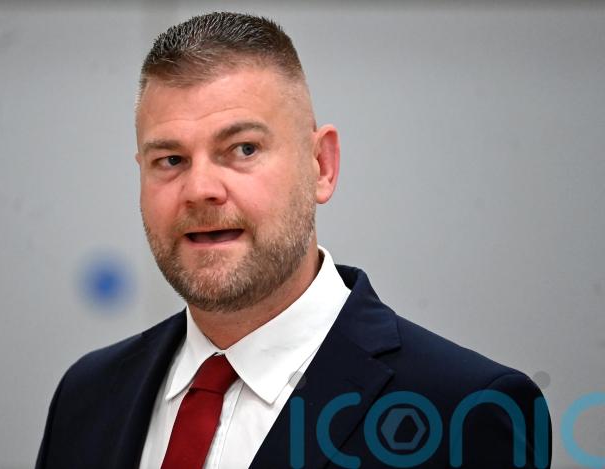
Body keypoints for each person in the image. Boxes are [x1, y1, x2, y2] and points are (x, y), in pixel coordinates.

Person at [36, 12, 551, 469]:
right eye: (170, 160)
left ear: (321, 165)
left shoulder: (466, 411)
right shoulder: (88, 394)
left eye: (243, 148)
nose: (199, 189)